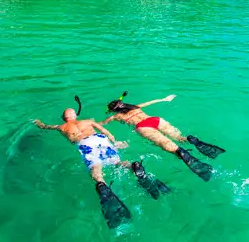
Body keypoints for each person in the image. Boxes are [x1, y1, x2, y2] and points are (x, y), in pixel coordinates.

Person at [33, 106, 169, 228]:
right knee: (117, 163)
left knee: (96, 169)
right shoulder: (87, 121)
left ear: (64, 118)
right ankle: (132, 167)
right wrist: (115, 141)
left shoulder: (61, 127)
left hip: (85, 145)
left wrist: (39, 123)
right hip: (100, 139)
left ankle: (102, 185)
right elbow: (104, 130)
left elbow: (45, 126)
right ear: (75, 115)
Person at [101, 94, 225, 182]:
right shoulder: (135, 107)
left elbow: (103, 123)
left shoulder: (117, 116)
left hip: (142, 126)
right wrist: (165, 99)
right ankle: (190, 139)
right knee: (179, 137)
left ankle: (180, 152)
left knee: (167, 144)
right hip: (155, 119)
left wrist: (105, 117)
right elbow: (151, 101)